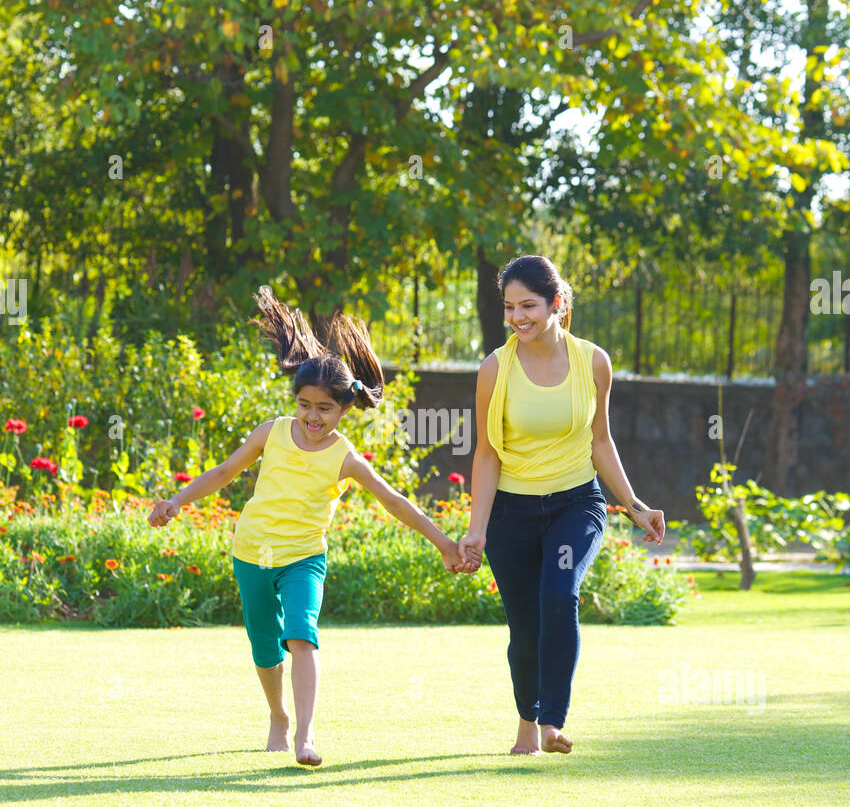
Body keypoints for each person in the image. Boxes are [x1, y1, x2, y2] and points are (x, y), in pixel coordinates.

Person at [149, 289, 472, 767]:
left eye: (324, 408)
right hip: (252, 552)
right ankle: (277, 716)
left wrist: (444, 543)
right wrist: (176, 501)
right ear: (295, 401)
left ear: (343, 409)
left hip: (304, 559)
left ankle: (305, 734)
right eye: (305, 404)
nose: (312, 416)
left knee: (301, 635)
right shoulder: (272, 432)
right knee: (264, 645)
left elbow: (394, 501)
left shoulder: (345, 457)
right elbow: (222, 473)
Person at [458, 255, 665, 756]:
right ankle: (527, 723)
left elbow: (601, 442)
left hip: (576, 504)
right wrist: (476, 529)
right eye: (509, 307)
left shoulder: (593, 361)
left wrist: (634, 504)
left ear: (556, 304)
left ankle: (552, 721)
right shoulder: (495, 368)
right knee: (524, 624)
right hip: (512, 511)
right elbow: (486, 453)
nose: (517, 317)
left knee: (559, 592)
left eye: (527, 305)